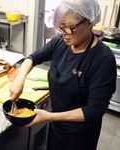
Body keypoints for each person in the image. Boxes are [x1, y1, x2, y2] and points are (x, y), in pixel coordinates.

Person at [9, 0, 117, 150]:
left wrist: (50, 117)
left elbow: (94, 111)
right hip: (57, 126)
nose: (64, 33)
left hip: (80, 136)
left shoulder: (103, 59)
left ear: (90, 22)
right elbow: (33, 57)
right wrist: (20, 78)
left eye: (71, 27)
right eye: (61, 27)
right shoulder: (60, 42)